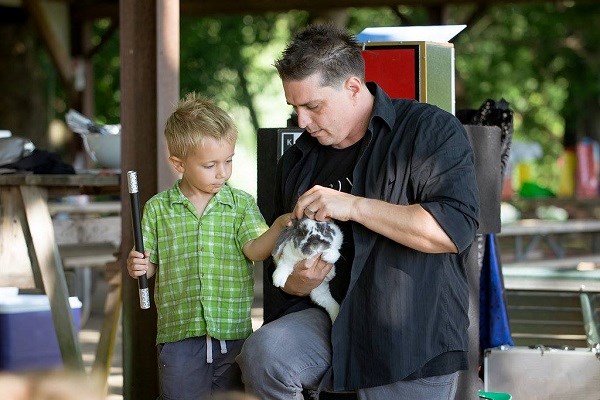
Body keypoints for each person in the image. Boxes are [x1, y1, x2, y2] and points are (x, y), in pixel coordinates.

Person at [236, 24, 480, 400]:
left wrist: (354, 206)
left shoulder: (428, 130)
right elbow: (282, 268)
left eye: (313, 106)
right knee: (265, 353)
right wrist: (299, 280)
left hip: (410, 334)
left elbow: (452, 231)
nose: (301, 122)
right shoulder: (298, 159)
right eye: (294, 108)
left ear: (352, 87)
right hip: (331, 320)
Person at [126, 93, 292, 400]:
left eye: (228, 161)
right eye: (210, 165)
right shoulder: (157, 208)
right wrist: (139, 265)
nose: (222, 172)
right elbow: (148, 265)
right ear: (179, 164)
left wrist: (279, 226)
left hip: (233, 334)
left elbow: (254, 250)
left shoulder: (240, 204)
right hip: (179, 335)